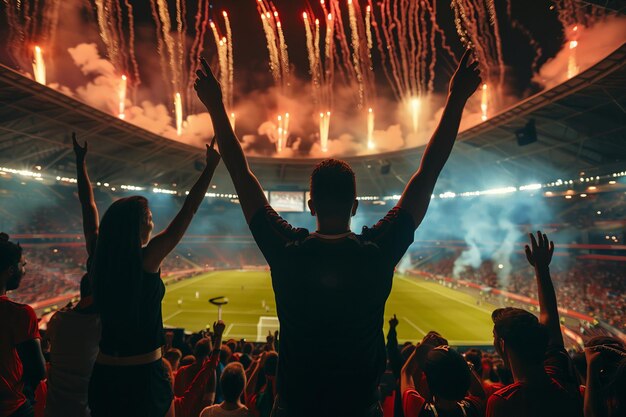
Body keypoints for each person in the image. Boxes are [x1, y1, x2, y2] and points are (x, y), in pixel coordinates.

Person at [195, 47, 481, 417]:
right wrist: (456, 98)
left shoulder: (287, 249)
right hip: (359, 406)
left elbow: (240, 174)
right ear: (355, 204)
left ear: (311, 205)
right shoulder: (376, 250)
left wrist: (216, 107)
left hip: (295, 406)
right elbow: (427, 174)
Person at [88, 141, 221, 417]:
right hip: (144, 375)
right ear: (137, 226)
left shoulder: (98, 258)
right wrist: (210, 167)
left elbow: (87, 208)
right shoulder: (147, 259)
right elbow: (189, 210)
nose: (153, 222)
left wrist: (80, 165)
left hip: (103, 374)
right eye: (149, 217)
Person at [487, 231, 584, 417]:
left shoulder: (503, 402)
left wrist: (541, 267)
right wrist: (541, 268)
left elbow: (550, 323)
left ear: (502, 344)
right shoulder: (560, 376)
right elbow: (550, 320)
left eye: (495, 337)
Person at [45, 134, 102, 417]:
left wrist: (80, 163)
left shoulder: (58, 321)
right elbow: (88, 209)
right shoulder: (106, 325)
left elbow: (87, 208)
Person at [0, 233, 46, 417]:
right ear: (11, 269)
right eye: (23, 265)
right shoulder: (19, 313)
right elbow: (37, 371)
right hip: (11, 407)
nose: (24, 271)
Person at [401, 333, 484, 417]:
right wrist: (458, 362)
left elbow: (406, 372)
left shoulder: (420, 411)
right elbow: (479, 394)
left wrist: (421, 346)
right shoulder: (472, 409)